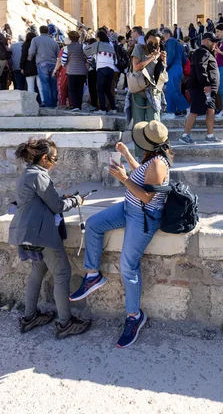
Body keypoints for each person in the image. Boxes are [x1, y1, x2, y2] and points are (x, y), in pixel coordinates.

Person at [70, 122, 171, 347]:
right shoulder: (152, 158)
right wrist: (125, 155)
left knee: (128, 265)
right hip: (129, 208)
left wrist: (123, 179)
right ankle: (92, 274)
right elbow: (142, 177)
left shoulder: (158, 163)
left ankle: (135, 317)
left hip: (142, 216)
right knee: (94, 224)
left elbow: (147, 197)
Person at [8, 138, 90, 338]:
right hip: (42, 234)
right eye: (54, 158)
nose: (55, 162)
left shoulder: (27, 173)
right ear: (44, 158)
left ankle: (29, 317)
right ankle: (65, 323)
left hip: (27, 234)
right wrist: (76, 200)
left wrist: (62, 198)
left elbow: (41, 201)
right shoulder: (39, 176)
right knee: (62, 274)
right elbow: (57, 207)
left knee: (37, 272)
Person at [129, 29, 167, 158]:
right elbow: (136, 67)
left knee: (154, 123)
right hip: (139, 90)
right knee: (139, 124)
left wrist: (163, 62)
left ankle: (155, 153)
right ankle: (140, 155)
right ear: (146, 41)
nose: (153, 46)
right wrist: (152, 58)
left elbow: (161, 76)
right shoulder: (138, 49)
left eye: (156, 43)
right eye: (151, 42)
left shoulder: (159, 53)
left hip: (154, 92)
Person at [179, 33, 221, 144]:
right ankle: (185, 135)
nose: (215, 44)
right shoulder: (202, 52)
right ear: (205, 41)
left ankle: (210, 136)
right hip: (201, 88)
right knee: (195, 110)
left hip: (207, 89)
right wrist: (206, 84)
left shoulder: (207, 53)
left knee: (210, 110)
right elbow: (201, 68)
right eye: (213, 41)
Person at [84, 30, 117, 115]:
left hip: (102, 68)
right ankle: (113, 108)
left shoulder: (98, 44)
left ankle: (103, 109)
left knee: (100, 89)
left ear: (98, 38)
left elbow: (86, 50)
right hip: (111, 69)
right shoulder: (111, 46)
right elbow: (114, 59)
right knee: (108, 90)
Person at [28, 26, 59, 107]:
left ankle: (48, 104)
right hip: (53, 64)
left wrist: (29, 59)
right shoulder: (54, 42)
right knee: (53, 84)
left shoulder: (35, 40)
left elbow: (31, 52)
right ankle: (54, 103)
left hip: (42, 63)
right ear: (48, 31)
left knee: (45, 84)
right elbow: (58, 55)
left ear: (40, 31)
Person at [162, 28, 189, 119]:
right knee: (170, 91)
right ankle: (171, 111)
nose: (162, 39)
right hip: (178, 67)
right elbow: (184, 59)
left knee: (173, 90)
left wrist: (165, 66)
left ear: (167, 35)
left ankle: (187, 107)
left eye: (163, 36)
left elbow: (170, 55)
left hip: (173, 67)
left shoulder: (170, 41)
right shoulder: (179, 44)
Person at [60, 31, 87, 111]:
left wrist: (64, 65)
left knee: (72, 89)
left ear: (70, 38)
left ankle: (75, 106)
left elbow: (63, 60)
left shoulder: (67, 48)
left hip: (71, 71)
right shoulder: (83, 46)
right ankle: (79, 105)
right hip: (82, 71)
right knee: (80, 89)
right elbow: (89, 57)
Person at [20, 32, 42, 101]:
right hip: (38, 66)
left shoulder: (25, 45)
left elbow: (23, 57)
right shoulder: (38, 44)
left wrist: (22, 67)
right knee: (40, 86)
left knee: (30, 86)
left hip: (28, 67)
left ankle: (31, 102)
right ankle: (43, 100)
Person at [52, 40, 69, 108]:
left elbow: (59, 61)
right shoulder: (77, 48)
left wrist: (55, 70)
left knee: (61, 87)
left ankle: (62, 104)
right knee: (70, 88)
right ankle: (71, 104)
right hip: (73, 70)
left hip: (63, 70)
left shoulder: (64, 49)